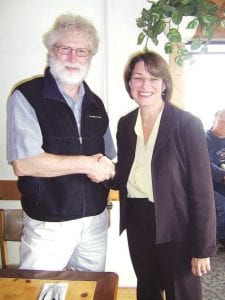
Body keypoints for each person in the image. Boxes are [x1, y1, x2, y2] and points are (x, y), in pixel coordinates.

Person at [6, 13, 116, 272]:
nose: (73, 57)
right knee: (44, 292)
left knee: (90, 292)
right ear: (50, 51)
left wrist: (107, 204)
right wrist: (86, 164)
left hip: (95, 223)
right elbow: (24, 163)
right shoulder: (26, 96)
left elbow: (106, 160)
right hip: (48, 225)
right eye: (65, 48)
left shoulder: (96, 104)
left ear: (90, 56)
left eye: (81, 51)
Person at [111, 51, 217, 300]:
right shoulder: (125, 124)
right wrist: (99, 170)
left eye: (153, 78)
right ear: (129, 83)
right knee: (147, 289)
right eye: (138, 78)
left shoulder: (186, 124)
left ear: (164, 84)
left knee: (183, 293)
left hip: (177, 224)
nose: (145, 85)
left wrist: (202, 247)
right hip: (138, 221)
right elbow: (124, 174)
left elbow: (202, 190)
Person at [205, 109, 225, 248]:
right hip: (205, 183)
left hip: (221, 182)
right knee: (222, 206)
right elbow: (206, 165)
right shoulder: (204, 139)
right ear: (214, 120)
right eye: (222, 121)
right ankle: (217, 239)